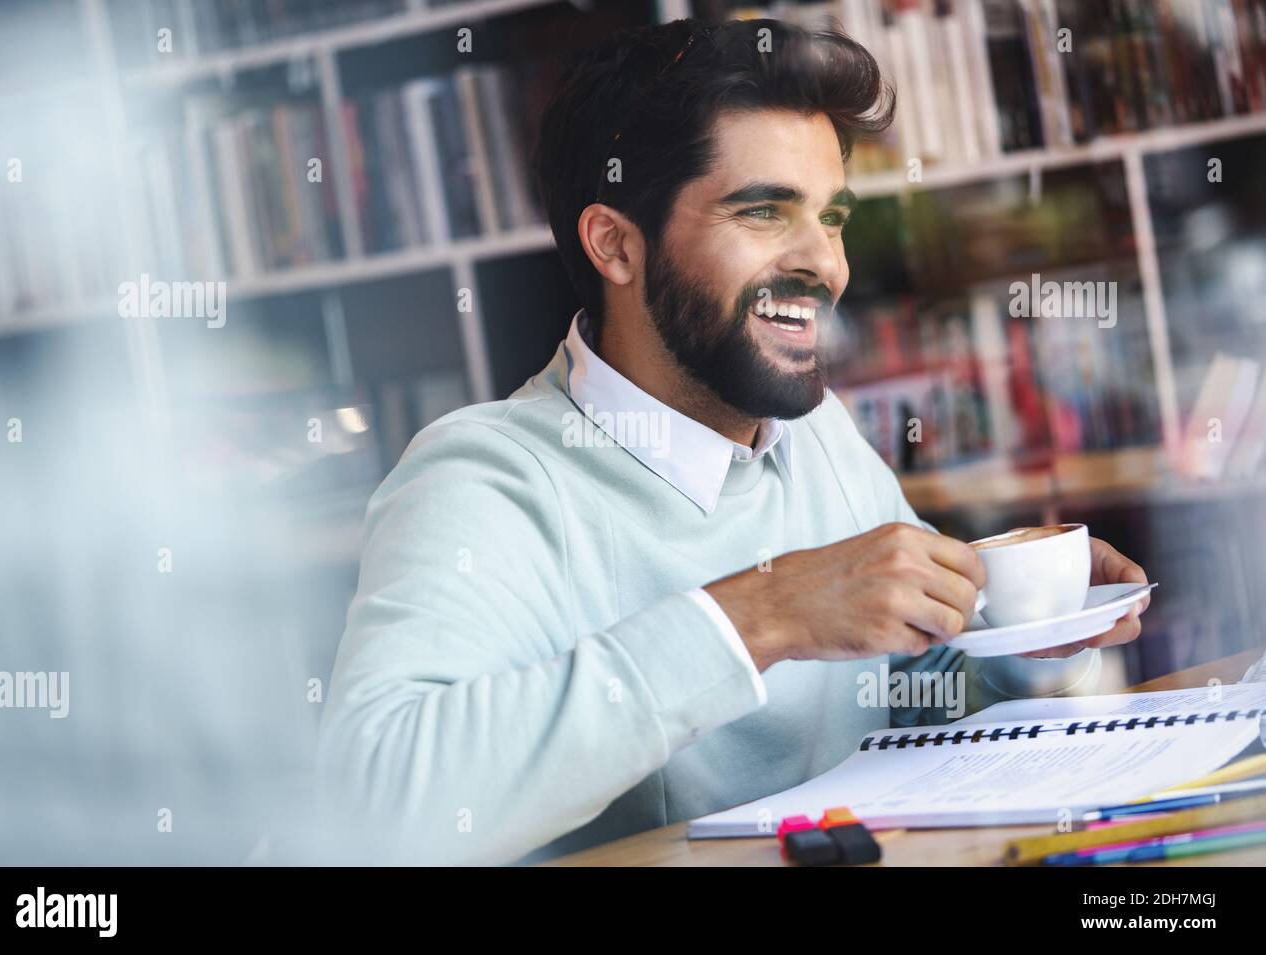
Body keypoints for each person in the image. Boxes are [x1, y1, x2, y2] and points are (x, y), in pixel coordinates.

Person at [317, 17, 1149, 865]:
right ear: (615, 244)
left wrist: (1028, 640)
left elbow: (920, 699)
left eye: (831, 218)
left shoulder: (817, 436)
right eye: (764, 211)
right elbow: (377, 807)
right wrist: (767, 609)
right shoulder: (483, 481)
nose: (826, 265)